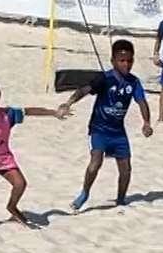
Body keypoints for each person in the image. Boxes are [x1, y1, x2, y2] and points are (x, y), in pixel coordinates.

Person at [0, 80, 70, 230]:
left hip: (3, 159)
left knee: (20, 184)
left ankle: (12, 207)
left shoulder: (6, 115)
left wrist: (54, 113)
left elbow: (28, 111)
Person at [62, 38, 153, 210]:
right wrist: (68, 103)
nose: (126, 64)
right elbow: (84, 90)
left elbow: (142, 102)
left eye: (129, 61)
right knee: (96, 162)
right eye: (122, 60)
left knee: (126, 169)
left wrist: (146, 122)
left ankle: (121, 200)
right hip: (99, 129)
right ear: (113, 61)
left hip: (118, 132)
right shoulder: (105, 78)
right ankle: (85, 193)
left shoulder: (134, 82)